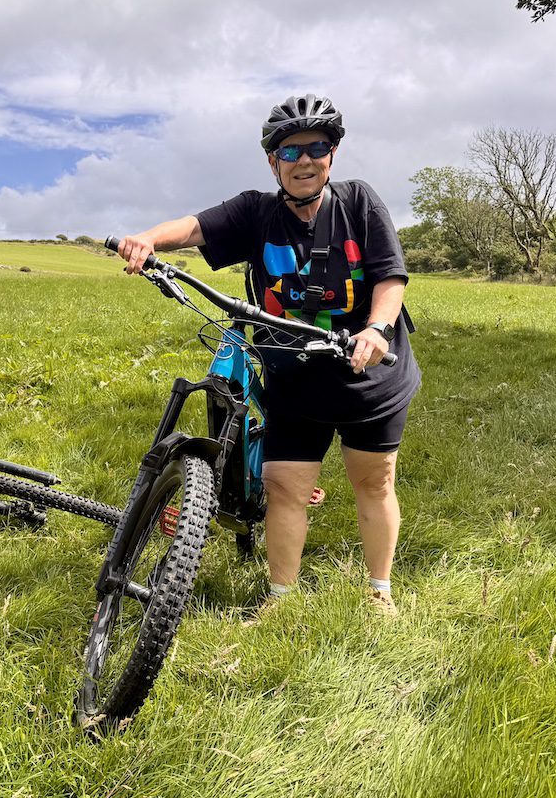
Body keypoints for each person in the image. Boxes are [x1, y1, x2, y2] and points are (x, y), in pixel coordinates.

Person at [115, 94, 421, 615]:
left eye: (318, 147)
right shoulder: (256, 213)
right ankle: (280, 597)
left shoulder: (359, 202)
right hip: (293, 382)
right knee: (284, 487)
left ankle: (379, 593)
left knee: (374, 480)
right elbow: (194, 227)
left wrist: (376, 328)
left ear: (333, 153)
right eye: (290, 150)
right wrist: (147, 239)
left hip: (370, 376)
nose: (305, 160)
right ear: (273, 160)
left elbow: (390, 276)